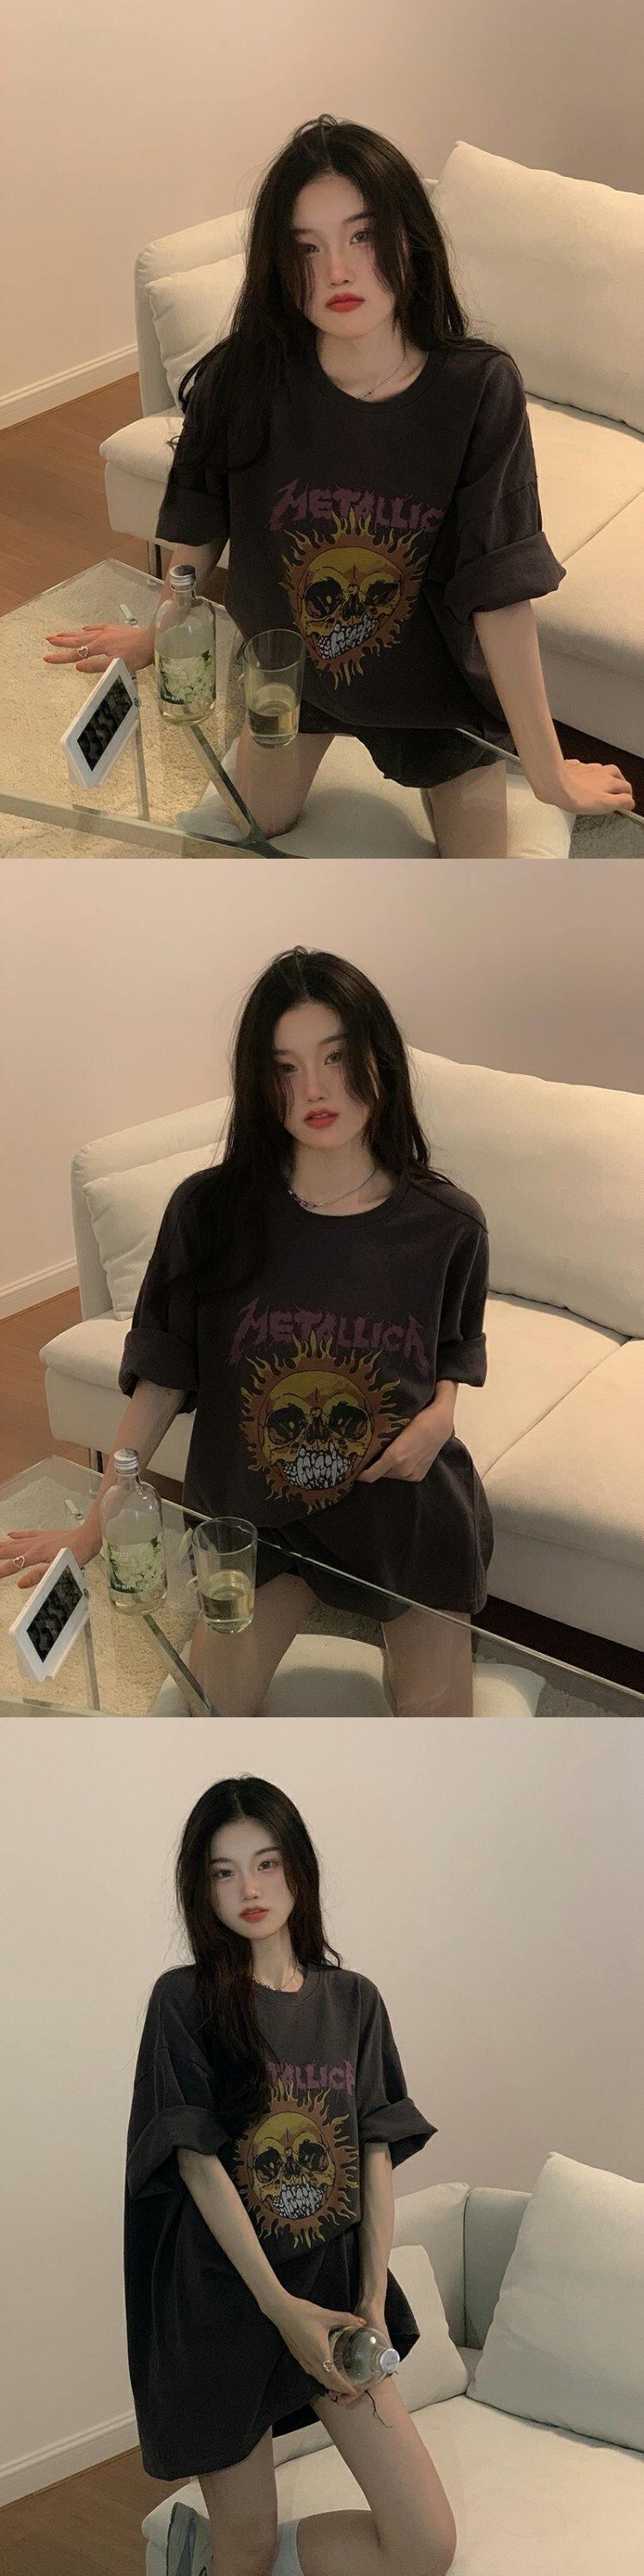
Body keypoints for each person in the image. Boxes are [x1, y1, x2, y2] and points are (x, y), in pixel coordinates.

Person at [43, 116, 634, 856]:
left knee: (481, 872)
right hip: (290, 678)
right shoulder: (243, 378)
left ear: (409, 241)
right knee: (259, 826)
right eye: (307, 249)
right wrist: (157, 635)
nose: (337, 273)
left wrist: (548, 772)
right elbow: (197, 524)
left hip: (435, 700)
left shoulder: (478, 391)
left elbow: (499, 589)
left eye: (362, 237)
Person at [0, 948, 493, 1716]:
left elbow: (455, 1346)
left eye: (336, 1057)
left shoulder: (447, 1225)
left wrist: (443, 1414)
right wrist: (95, 1526)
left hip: (399, 1514)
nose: (314, 1089)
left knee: (438, 1736)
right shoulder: (210, 1215)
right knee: (213, 1717)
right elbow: (163, 1378)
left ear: (380, 1060)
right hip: (255, 1524)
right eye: (285, 1068)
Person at [125, 1773, 456, 2576]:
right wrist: (280, 2309)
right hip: (227, 2301)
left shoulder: (354, 2002)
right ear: (201, 1888)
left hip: (334, 2292)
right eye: (224, 1871)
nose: (249, 1889)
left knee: (423, 2544)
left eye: (266, 1864)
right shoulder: (183, 2002)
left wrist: (370, 2298)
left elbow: (374, 2150)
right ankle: (218, 2553)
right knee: (243, 2548)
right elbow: (197, 2163)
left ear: (298, 1870)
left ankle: (208, 2552)